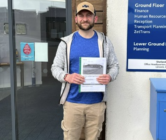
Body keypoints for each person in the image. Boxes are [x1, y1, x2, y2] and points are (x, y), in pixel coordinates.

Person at [51, 1, 119, 140]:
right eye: (81, 15)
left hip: (96, 103)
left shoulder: (105, 42)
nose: (85, 19)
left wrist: (110, 77)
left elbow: (114, 66)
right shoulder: (66, 42)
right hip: (72, 103)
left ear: (95, 18)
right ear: (76, 19)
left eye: (88, 15)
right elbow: (55, 67)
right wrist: (66, 77)